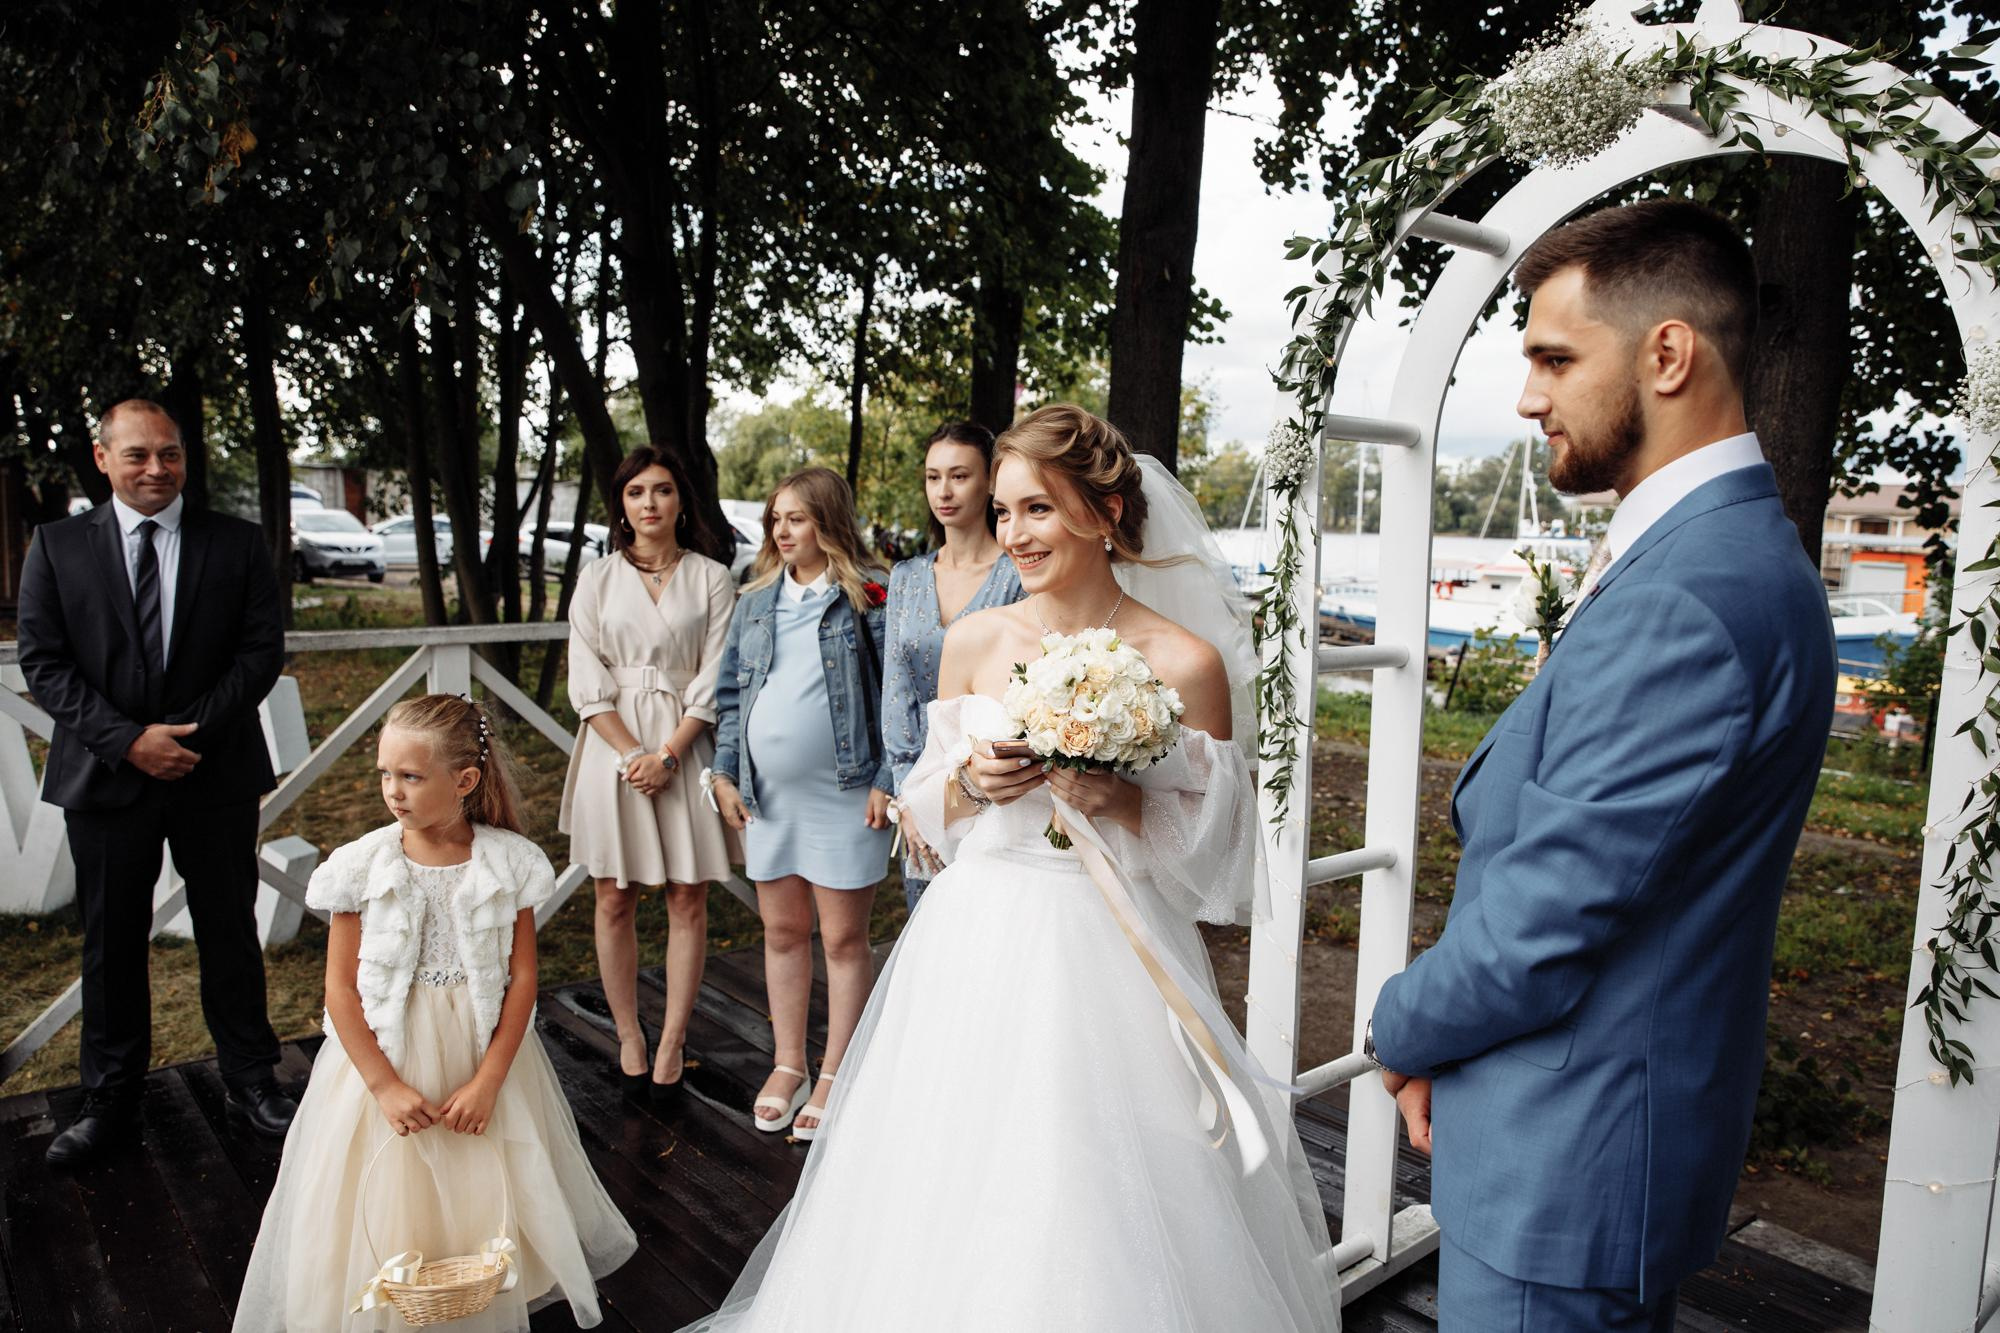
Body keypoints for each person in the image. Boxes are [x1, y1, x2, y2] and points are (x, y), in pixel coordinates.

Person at [681, 406, 1337, 1332]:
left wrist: (1124, 802)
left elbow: (1220, 861)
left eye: (1037, 509)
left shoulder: (1184, 662)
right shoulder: (976, 644)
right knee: (950, 1161)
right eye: (1003, 510)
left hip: (1114, 949)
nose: (1013, 535)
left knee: (1092, 1176)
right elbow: (924, 818)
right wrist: (970, 784)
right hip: (978, 931)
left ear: (1105, 510)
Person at [1366, 201, 1836, 1331]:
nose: (1527, 395)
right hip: (1573, 1124)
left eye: (1552, 357)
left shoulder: (1686, 593)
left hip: (1563, 1164)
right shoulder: (1716, 551)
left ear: (1666, 353)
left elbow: (1541, 922)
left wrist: (1398, 1030)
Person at [234, 695, 636, 1332]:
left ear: (465, 780)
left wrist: (489, 1082)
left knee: (478, 1198)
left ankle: (466, 1307)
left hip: (480, 1059)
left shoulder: (509, 863)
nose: (393, 791)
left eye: (411, 776)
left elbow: (523, 978)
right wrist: (386, 1087)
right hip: (382, 1064)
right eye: (385, 775)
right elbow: (339, 992)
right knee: (384, 1202)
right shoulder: (362, 867)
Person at [16, 398, 296, 1164]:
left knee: (230, 931)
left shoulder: (235, 544)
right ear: (102, 457)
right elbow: (43, 662)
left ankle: (251, 1078)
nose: (156, 468)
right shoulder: (58, 545)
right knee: (110, 942)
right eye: (137, 454)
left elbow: (259, 651)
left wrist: (188, 737)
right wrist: (129, 741)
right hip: (107, 777)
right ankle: (110, 1097)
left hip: (214, 772)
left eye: (169, 454)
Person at [709, 467, 893, 1141]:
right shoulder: (755, 600)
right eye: (775, 520)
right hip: (768, 798)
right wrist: (724, 773)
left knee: (843, 939)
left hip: (846, 795)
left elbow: (895, 693)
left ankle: (837, 1072)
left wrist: (887, 775)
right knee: (782, 932)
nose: (782, 531)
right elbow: (731, 697)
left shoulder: (870, 593)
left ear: (829, 521)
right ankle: (788, 1062)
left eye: (797, 518)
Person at [559, 446, 740, 1106]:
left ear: (681, 501)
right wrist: (632, 752)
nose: (650, 503)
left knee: (688, 896)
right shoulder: (597, 579)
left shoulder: (712, 578)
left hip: (685, 746)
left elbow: (717, 675)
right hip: (614, 748)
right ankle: (630, 1032)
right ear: (622, 505)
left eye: (663, 490)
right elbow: (586, 675)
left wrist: (667, 755)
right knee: (613, 894)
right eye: (637, 492)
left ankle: (672, 1037)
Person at [881, 422, 1023, 910]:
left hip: (999, 784)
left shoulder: (1019, 571)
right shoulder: (906, 577)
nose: (943, 490)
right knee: (930, 930)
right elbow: (895, 695)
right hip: (922, 793)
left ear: (989, 481)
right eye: (932, 476)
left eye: (959, 476)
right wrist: (909, 801)